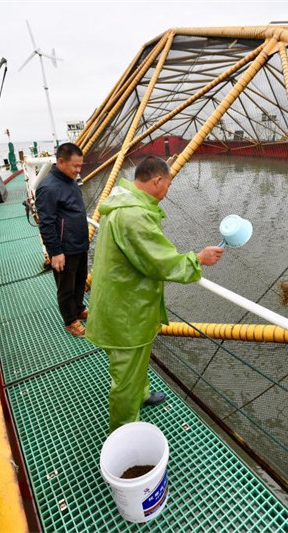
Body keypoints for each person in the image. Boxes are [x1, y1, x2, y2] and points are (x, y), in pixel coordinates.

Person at [86, 156, 224, 433]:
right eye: (168, 185)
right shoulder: (134, 215)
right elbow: (159, 261)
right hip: (125, 313)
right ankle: (125, 432)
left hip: (127, 304)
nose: (168, 191)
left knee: (138, 361)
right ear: (158, 180)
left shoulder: (125, 200)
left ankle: (142, 394)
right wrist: (198, 259)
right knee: (125, 376)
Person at [35, 142, 89, 337]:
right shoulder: (49, 188)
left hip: (79, 244)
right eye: (75, 166)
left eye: (80, 165)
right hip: (64, 248)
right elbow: (46, 224)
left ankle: (78, 309)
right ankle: (70, 321)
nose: (78, 170)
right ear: (60, 162)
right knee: (66, 286)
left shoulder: (70, 180)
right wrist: (56, 251)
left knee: (79, 280)